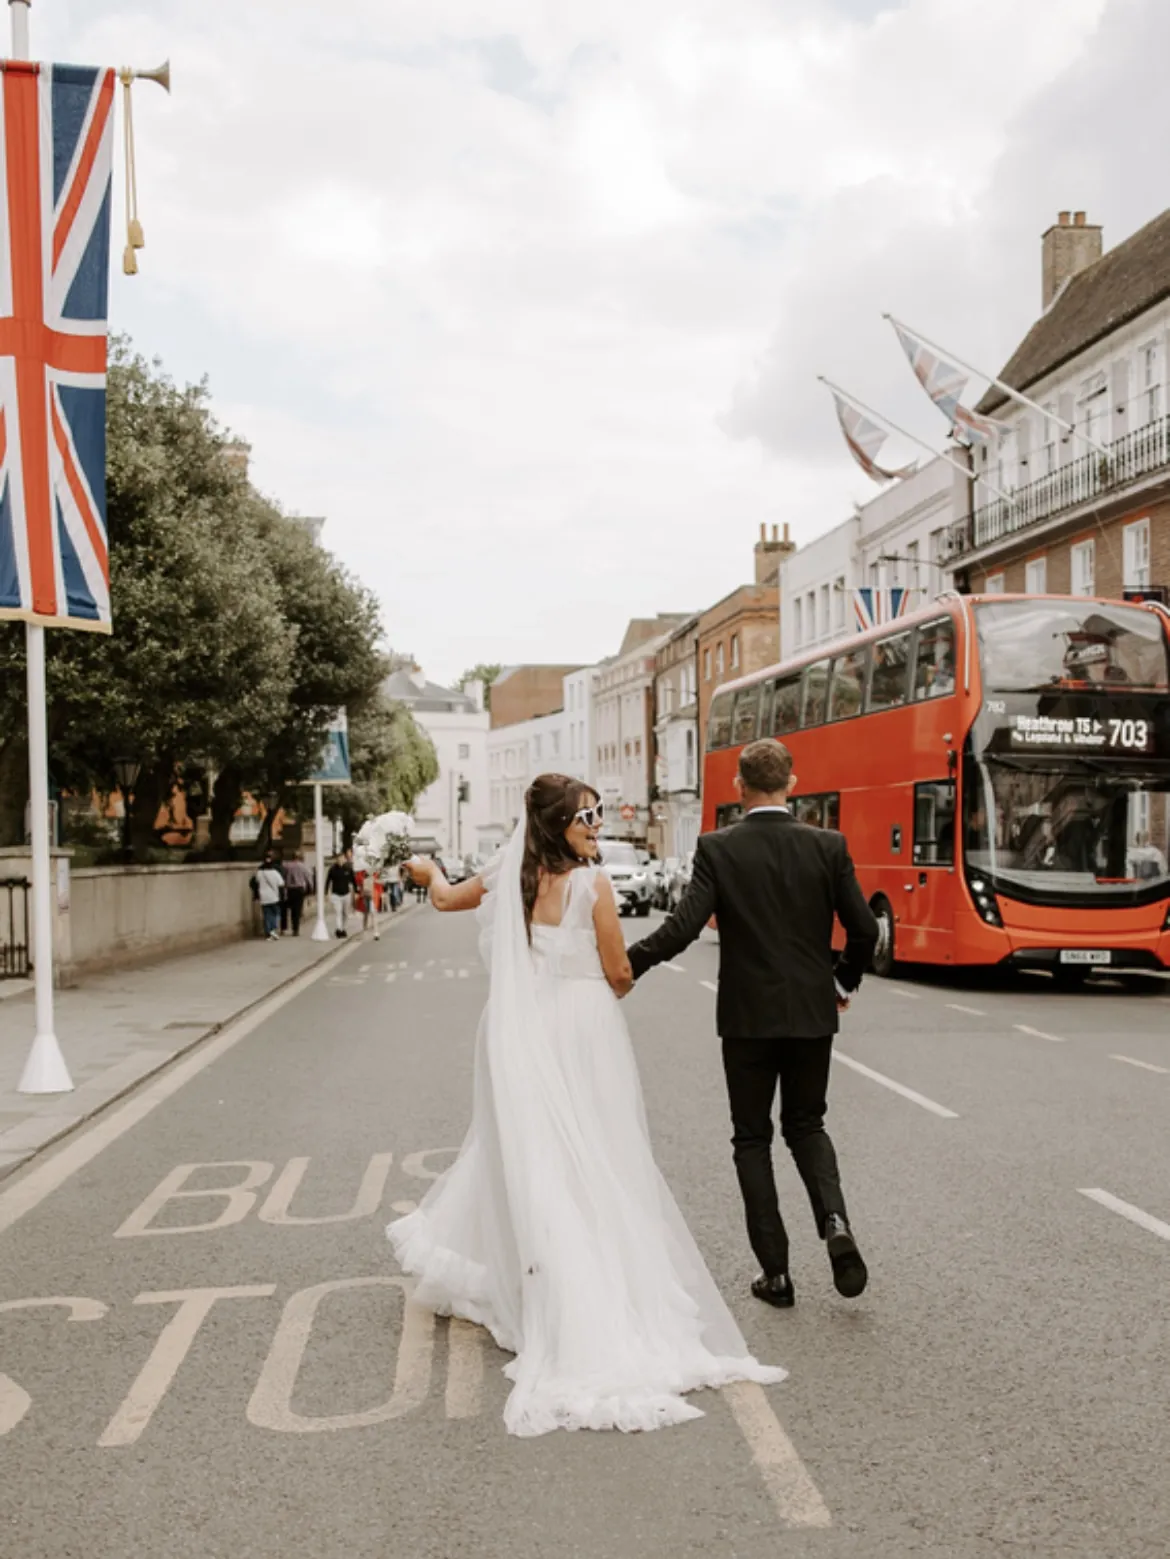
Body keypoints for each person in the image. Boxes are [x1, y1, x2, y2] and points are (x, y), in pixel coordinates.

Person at [388, 773, 785, 1438]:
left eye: (597, 815)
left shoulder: (508, 873)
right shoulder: (591, 885)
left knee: (529, 1153)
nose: (597, 826)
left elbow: (448, 898)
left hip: (517, 1029)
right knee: (597, 1153)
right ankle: (581, 1298)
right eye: (587, 817)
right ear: (558, 824)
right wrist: (604, 986)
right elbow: (619, 971)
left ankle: (532, 1277)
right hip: (583, 1027)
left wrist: (427, 870)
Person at [627, 739, 879, 1310]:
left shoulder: (718, 848)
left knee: (752, 1138)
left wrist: (629, 964)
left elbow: (686, 927)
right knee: (807, 1125)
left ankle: (777, 1276)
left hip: (746, 1019)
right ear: (793, 781)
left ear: (739, 787)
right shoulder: (828, 846)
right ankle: (835, 1221)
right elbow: (864, 929)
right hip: (812, 1014)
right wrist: (841, 981)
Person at [254, 856, 286, 942]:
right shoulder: (275, 873)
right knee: (276, 913)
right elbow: (281, 883)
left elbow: (256, 882)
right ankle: (273, 929)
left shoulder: (260, 873)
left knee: (267, 915)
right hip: (274, 896)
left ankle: (269, 932)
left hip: (264, 897)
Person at [324, 851, 355, 939]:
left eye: (341, 858)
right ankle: (339, 929)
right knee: (338, 912)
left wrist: (356, 891)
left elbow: (353, 880)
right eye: (338, 859)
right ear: (336, 860)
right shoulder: (332, 869)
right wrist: (326, 893)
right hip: (336, 895)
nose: (340, 860)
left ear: (344, 859)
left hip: (346, 894)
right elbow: (328, 881)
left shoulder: (348, 868)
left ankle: (343, 928)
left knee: (345, 913)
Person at [282, 851, 313, 936]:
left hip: (289, 889)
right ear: (300, 858)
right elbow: (309, 877)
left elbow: (283, 876)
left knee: (289, 908)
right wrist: (311, 889)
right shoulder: (303, 866)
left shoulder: (287, 866)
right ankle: (295, 929)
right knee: (297, 910)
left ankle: (284, 927)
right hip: (299, 889)